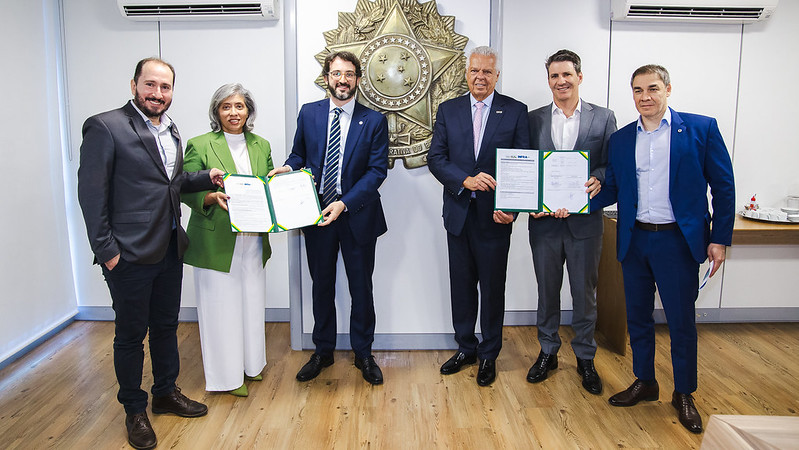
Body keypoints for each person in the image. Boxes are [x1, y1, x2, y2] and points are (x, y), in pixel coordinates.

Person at [77, 57, 224, 450]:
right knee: (130, 335)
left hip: (170, 247)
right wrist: (107, 251)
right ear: (134, 85)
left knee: (165, 326)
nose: (158, 94)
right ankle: (134, 410)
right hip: (127, 254)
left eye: (165, 87)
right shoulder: (105, 126)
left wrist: (205, 177)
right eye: (151, 85)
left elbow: (168, 182)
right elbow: (91, 195)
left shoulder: (170, 129)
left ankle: (165, 392)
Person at [591, 64, 735, 433]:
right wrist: (571, 198)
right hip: (634, 240)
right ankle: (645, 381)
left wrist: (719, 238)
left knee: (681, 321)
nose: (645, 97)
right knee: (638, 318)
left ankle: (684, 392)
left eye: (652, 88)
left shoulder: (701, 129)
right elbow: (613, 190)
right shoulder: (622, 139)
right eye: (638, 90)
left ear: (668, 89)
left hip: (677, 242)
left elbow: (723, 187)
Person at [268, 51, 389, 385]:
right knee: (321, 286)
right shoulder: (309, 113)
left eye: (349, 74)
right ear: (326, 78)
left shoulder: (374, 121)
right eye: (336, 73)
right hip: (316, 214)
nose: (342, 80)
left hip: (357, 215)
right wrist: (288, 168)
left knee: (361, 288)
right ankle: (323, 351)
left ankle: (363, 353)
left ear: (358, 79)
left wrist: (344, 203)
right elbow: (299, 153)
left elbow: (377, 171)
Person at [428, 46, 530, 387]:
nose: (480, 77)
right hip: (458, 214)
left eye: (487, 71)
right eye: (475, 70)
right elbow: (436, 158)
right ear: (466, 73)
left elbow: (523, 164)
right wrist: (465, 180)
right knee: (461, 287)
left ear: (496, 75)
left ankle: (489, 354)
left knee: (492, 288)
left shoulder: (515, 111)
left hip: (495, 217)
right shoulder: (449, 109)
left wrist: (512, 209)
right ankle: (465, 348)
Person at [525, 50, 617, 395]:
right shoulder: (532, 120)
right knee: (547, 292)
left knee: (584, 294)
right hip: (544, 224)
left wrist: (598, 178)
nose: (561, 81)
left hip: (585, 224)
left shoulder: (603, 118)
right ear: (548, 80)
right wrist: (530, 201)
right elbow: (524, 165)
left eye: (567, 74)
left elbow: (611, 164)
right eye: (554, 76)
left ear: (579, 76)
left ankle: (585, 357)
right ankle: (548, 352)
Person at [181, 83, 274, 397]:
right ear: (216, 111)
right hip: (215, 241)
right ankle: (227, 378)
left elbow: (268, 185)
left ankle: (251, 365)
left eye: (239, 106)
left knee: (252, 304)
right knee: (220, 310)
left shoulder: (261, 145)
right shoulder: (199, 144)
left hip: (254, 240)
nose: (233, 113)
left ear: (248, 111)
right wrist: (209, 198)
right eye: (226, 106)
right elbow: (184, 188)